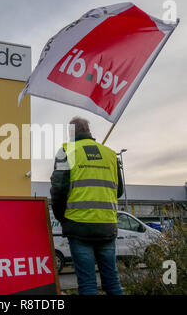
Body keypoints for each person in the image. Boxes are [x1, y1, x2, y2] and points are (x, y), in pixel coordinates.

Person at [50, 116, 124, 295]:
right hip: (107, 226)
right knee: (112, 282)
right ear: (89, 132)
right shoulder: (110, 154)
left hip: (78, 227)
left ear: (71, 133)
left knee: (88, 285)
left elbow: (58, 190)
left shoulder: (66, 152)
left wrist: (63, 218)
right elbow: (119, 190)